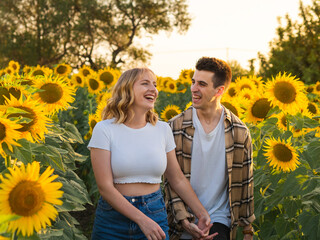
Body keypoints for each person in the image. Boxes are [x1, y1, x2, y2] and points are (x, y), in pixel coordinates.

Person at [88, 67, 217, 240]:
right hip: (112, 219)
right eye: (145, 83)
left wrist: (201, 214)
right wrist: (142, 220)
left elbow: (177, 178)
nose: (153, 90)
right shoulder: (104, 129)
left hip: (154, 212)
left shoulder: (162, 129)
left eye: (155, 85)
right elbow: (105, 187)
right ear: (127, 89)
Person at [164, 57, 255, 240]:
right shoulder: (174, 128)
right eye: (193, 82)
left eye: (202, 84)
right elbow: (170, 183)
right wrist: (184, 220)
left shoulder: (239, 132)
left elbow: (245, 183)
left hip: (218, 220)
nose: (194, 89)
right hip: (181, 220)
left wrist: (247, 231)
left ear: (219, 90)